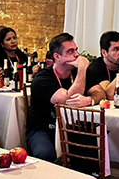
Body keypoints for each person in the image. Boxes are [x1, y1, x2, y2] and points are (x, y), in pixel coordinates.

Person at [26, 33, 91, 161]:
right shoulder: (42, 78)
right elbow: (68, 100)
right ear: (57, 57)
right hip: (44, 129)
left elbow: (100, 92)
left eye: (76, 50)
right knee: (47, 154)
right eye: (71, 51)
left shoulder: (77, 73)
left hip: (73, 128)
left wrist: (90, 99)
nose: (77, 55)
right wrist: (82, 68)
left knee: (90, 152)